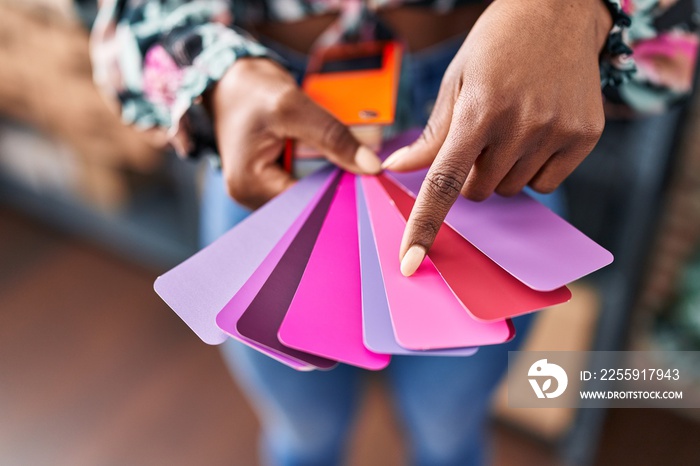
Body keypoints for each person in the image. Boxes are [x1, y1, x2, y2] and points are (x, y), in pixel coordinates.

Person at [89, 1, 698, 464]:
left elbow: (671, 42)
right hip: (268, 120)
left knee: (449, 428)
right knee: (302, 429)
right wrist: (211, 71)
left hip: (491, 124)